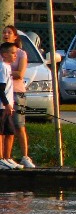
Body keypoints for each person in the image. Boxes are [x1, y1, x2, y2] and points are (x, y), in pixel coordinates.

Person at [2, 26, 34, 168]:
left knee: (19, 125)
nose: (6, 34)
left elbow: (20, 74)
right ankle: (4, 157)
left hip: (17, 92)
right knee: (3, 128)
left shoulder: (21, 54)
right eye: (4, 32)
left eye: (9, 32)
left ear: (15, 36)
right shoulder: (3, 54)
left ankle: (25, 156)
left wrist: (7, 74)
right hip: (3, 96)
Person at [0, 41, 23, 169]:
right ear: (4, 54)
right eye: (13, 53)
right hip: (2, 106)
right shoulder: (2, 67)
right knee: (1, 132)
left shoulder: (8, 67)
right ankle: (1, 159)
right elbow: (0, 88)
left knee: (10, 132)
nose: (15, 56)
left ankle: (7, 157)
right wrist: (6, 104)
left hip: (8, 106)